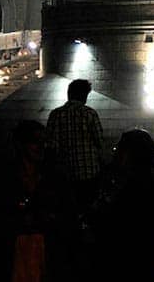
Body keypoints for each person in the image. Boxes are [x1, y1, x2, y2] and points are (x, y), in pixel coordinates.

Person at [91, 128, 154, 281]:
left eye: (118, 148)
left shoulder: (134, 186)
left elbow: (119, 226)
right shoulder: (151, 180)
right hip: (147, 259)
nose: (115, 153)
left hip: (130, 261)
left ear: (130, 153)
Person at [45, 78, 105, 211]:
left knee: (69, 211)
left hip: (65, 175)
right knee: (88, 209)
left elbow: (51, 146)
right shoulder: (89, 114)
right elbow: (100, 142)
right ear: (84, 96)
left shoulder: (55, 115)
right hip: (89, 173)